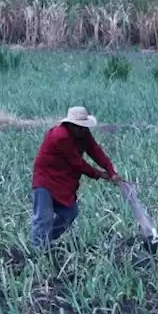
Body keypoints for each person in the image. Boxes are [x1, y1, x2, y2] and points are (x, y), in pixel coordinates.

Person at [31, 106, 120, 248]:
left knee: (70, 212)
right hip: (46, 179)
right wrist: (101, 175)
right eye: (79, 126)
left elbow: (95, 151)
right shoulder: (60, 136)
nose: (83, 129)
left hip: (63, 180)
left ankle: (45, 241)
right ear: (70, 125)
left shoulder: (83, 133)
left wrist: (111, 171)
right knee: (43, 218)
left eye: (84, 126)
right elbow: (77, 163)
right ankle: (37, 251)